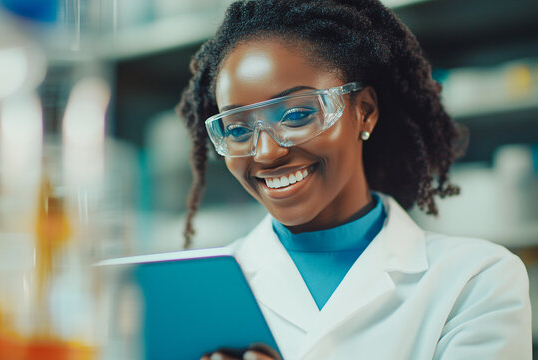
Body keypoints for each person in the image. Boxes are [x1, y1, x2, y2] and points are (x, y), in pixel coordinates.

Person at [176, 0, 532, 359]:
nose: (267, 152)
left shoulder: (474, 281)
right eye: (237, 129)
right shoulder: (196, 291)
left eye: (298, 115)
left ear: (364, 112)